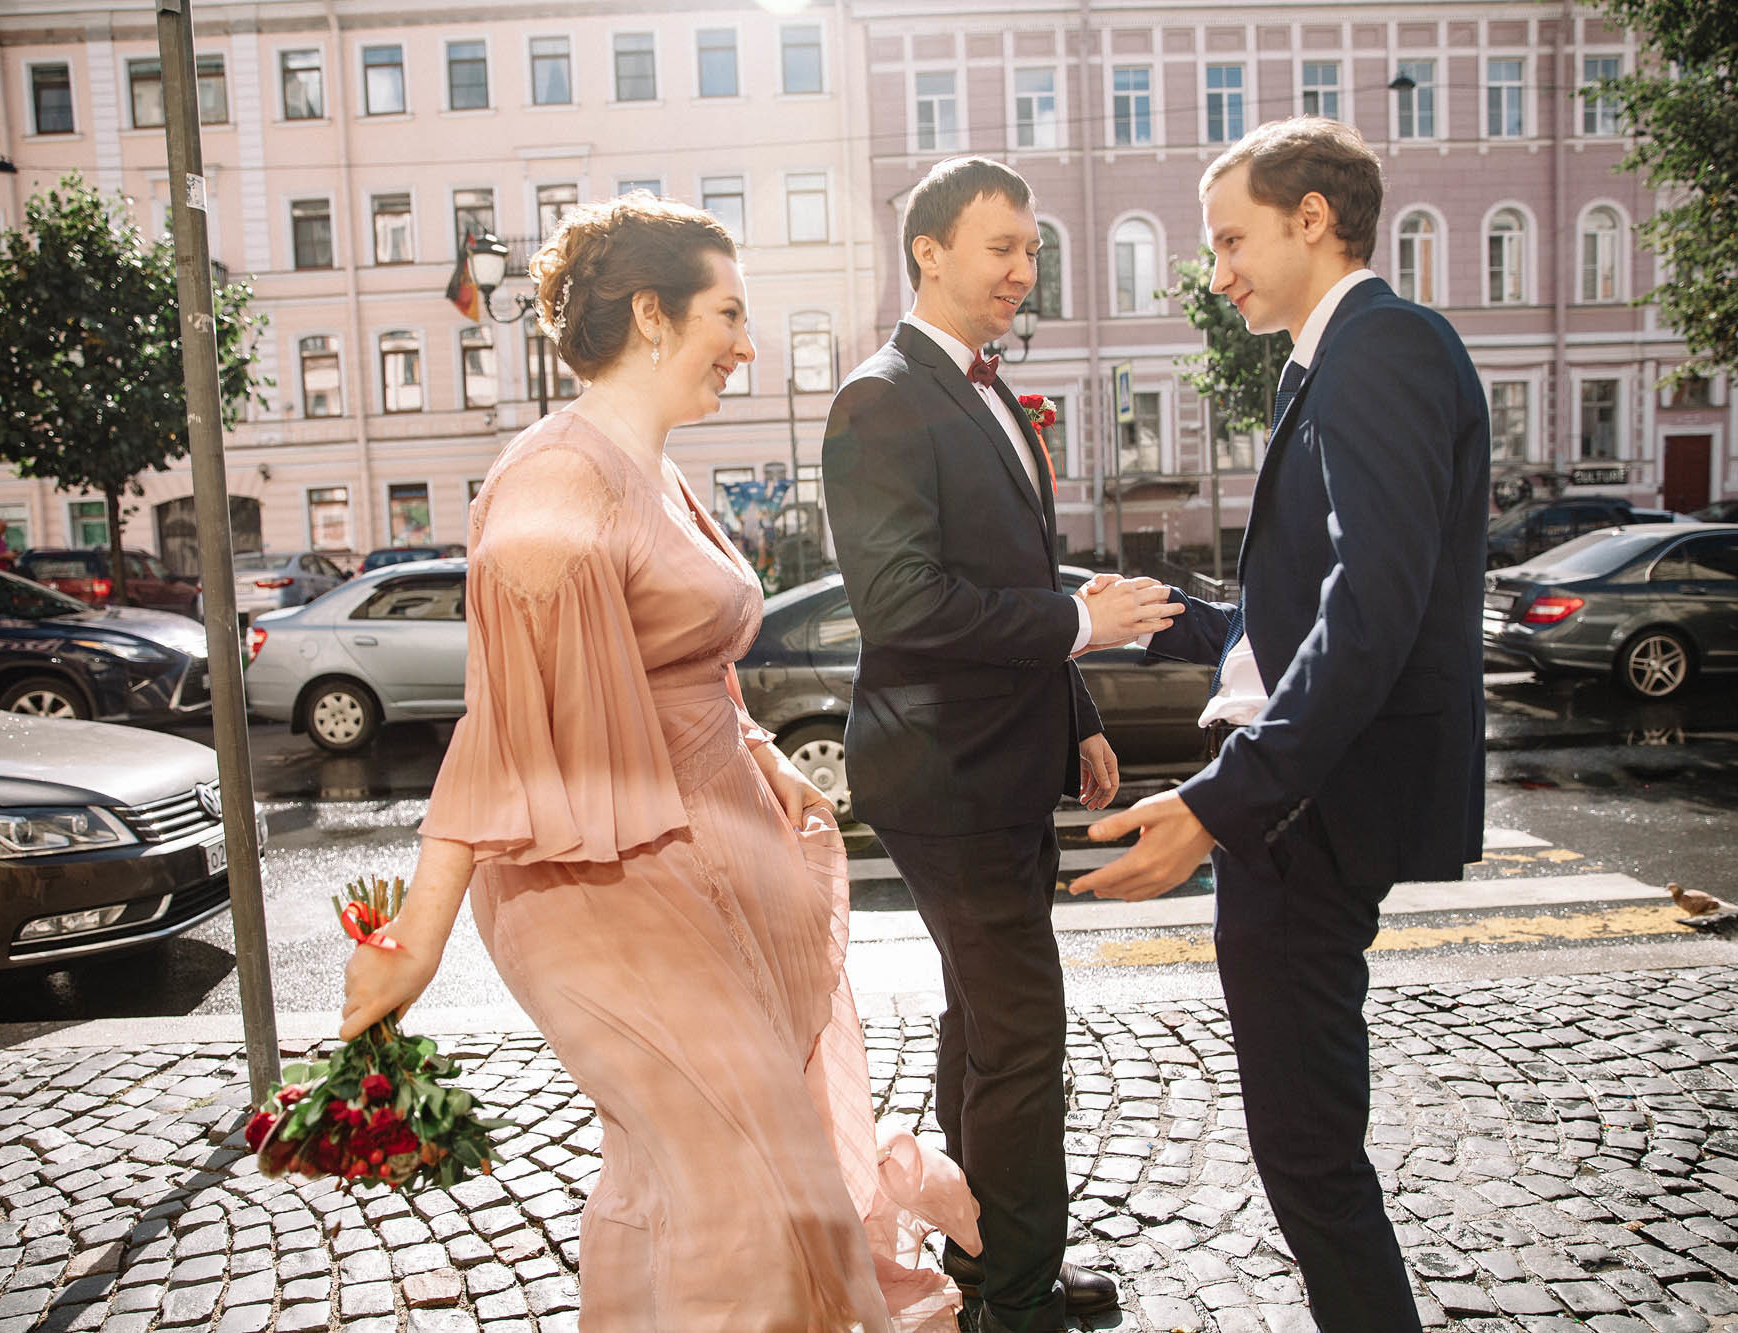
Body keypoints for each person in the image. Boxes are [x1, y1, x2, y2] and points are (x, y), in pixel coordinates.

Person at [339, 195, 980, 1332]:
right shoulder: (553, 487)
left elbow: (672, 659)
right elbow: (499, 731)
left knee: (690, 1179)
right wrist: (415, 942)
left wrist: (759, 751)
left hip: (698, 858)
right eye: (727, 314)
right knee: (747, 1189)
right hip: (598, 889)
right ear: (649, 314)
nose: (746, 344)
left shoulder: (653, 469)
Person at [1072, 118, 1489, 1333]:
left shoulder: (1379, 346)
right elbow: (1296, 611)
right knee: (1306, 1142)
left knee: (1306, 1150)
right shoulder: (1334, 356)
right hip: (1301, 794)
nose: (1217, 271)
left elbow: (1372, 610)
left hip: (1309, 804)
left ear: (1313, 218)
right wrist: (1153, 618)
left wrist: (1219, 801)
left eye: (1229, 238)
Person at [822, 158, 1176, 1333]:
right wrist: (1081, 622)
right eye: (999, 249)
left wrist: (1074, 711)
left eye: (1030, 250)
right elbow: (902, 605)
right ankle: (1014, 1299)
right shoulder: (879, 398)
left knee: (982, 1024)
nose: (1024, 271)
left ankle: (985, 1261)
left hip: (1007, 759)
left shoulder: (987, 392)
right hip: (945, 775)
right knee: (1021, 1038)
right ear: (927, 251)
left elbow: (1008, 575)